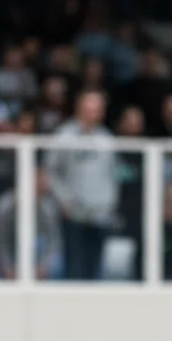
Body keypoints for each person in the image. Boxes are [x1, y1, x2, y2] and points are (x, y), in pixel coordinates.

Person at [44, 90, 117, 280]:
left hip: (100, 213)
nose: (94, 113)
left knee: (95, 266)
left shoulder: (107, 139)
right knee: (74, 266)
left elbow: (112, 175)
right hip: (73, 212)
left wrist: (110, 203)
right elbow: (51, 172)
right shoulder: (63, 137)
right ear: (79, 109)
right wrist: (64, 201)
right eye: (89, 108)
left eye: (98, 109)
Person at [0, 168, 63, 280]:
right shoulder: (4, 208)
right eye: (38, 182)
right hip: (12, 254)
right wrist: (9, 268)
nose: (43, 185)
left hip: (38, 254)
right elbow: (0, 243)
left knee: (56, 265)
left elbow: (53, 242)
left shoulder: (48, 208)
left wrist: (43, 267)